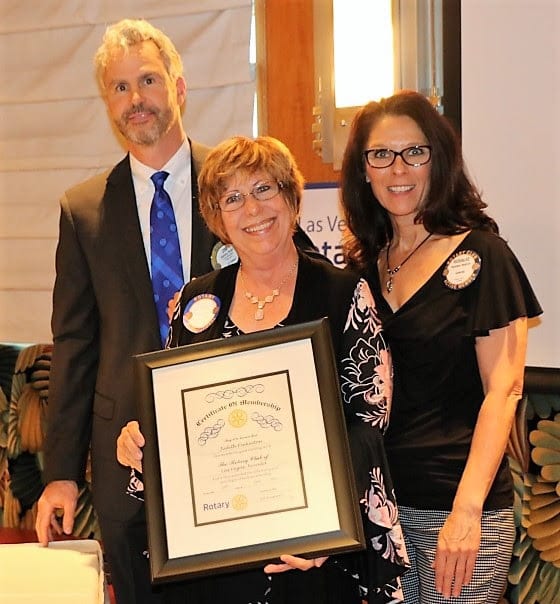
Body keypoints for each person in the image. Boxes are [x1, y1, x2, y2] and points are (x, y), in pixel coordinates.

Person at [34, 19, 319, 604]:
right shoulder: (83, 211)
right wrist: (60, 473)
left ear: (179, 88)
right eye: (119, 87)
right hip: (127, 460)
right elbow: (74, 346)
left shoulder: (239, 185)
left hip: (238, 447)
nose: (135, 99)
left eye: (147, 80)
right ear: (108, 104)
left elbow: (305, 286)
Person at [117, 135, 409, 603]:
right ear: (217, 219)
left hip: (316, 552)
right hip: (215, 555)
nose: (252, 209)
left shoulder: (343, 293)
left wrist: (323, 524)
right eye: (232, 198)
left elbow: (368, 422)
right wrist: (139, 439)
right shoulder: (196, 300)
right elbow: (174, 418)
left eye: (263, 189)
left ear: (291, 199)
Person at [338, 89, 543, 604]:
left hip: (459, 509)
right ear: (363, 170)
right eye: (380, 154)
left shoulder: (484, 255)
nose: (398, 168)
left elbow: (504, 390)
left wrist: (466, 512)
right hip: (381, 509)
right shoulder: (362, 268)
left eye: (414, 152)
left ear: (439, 159)